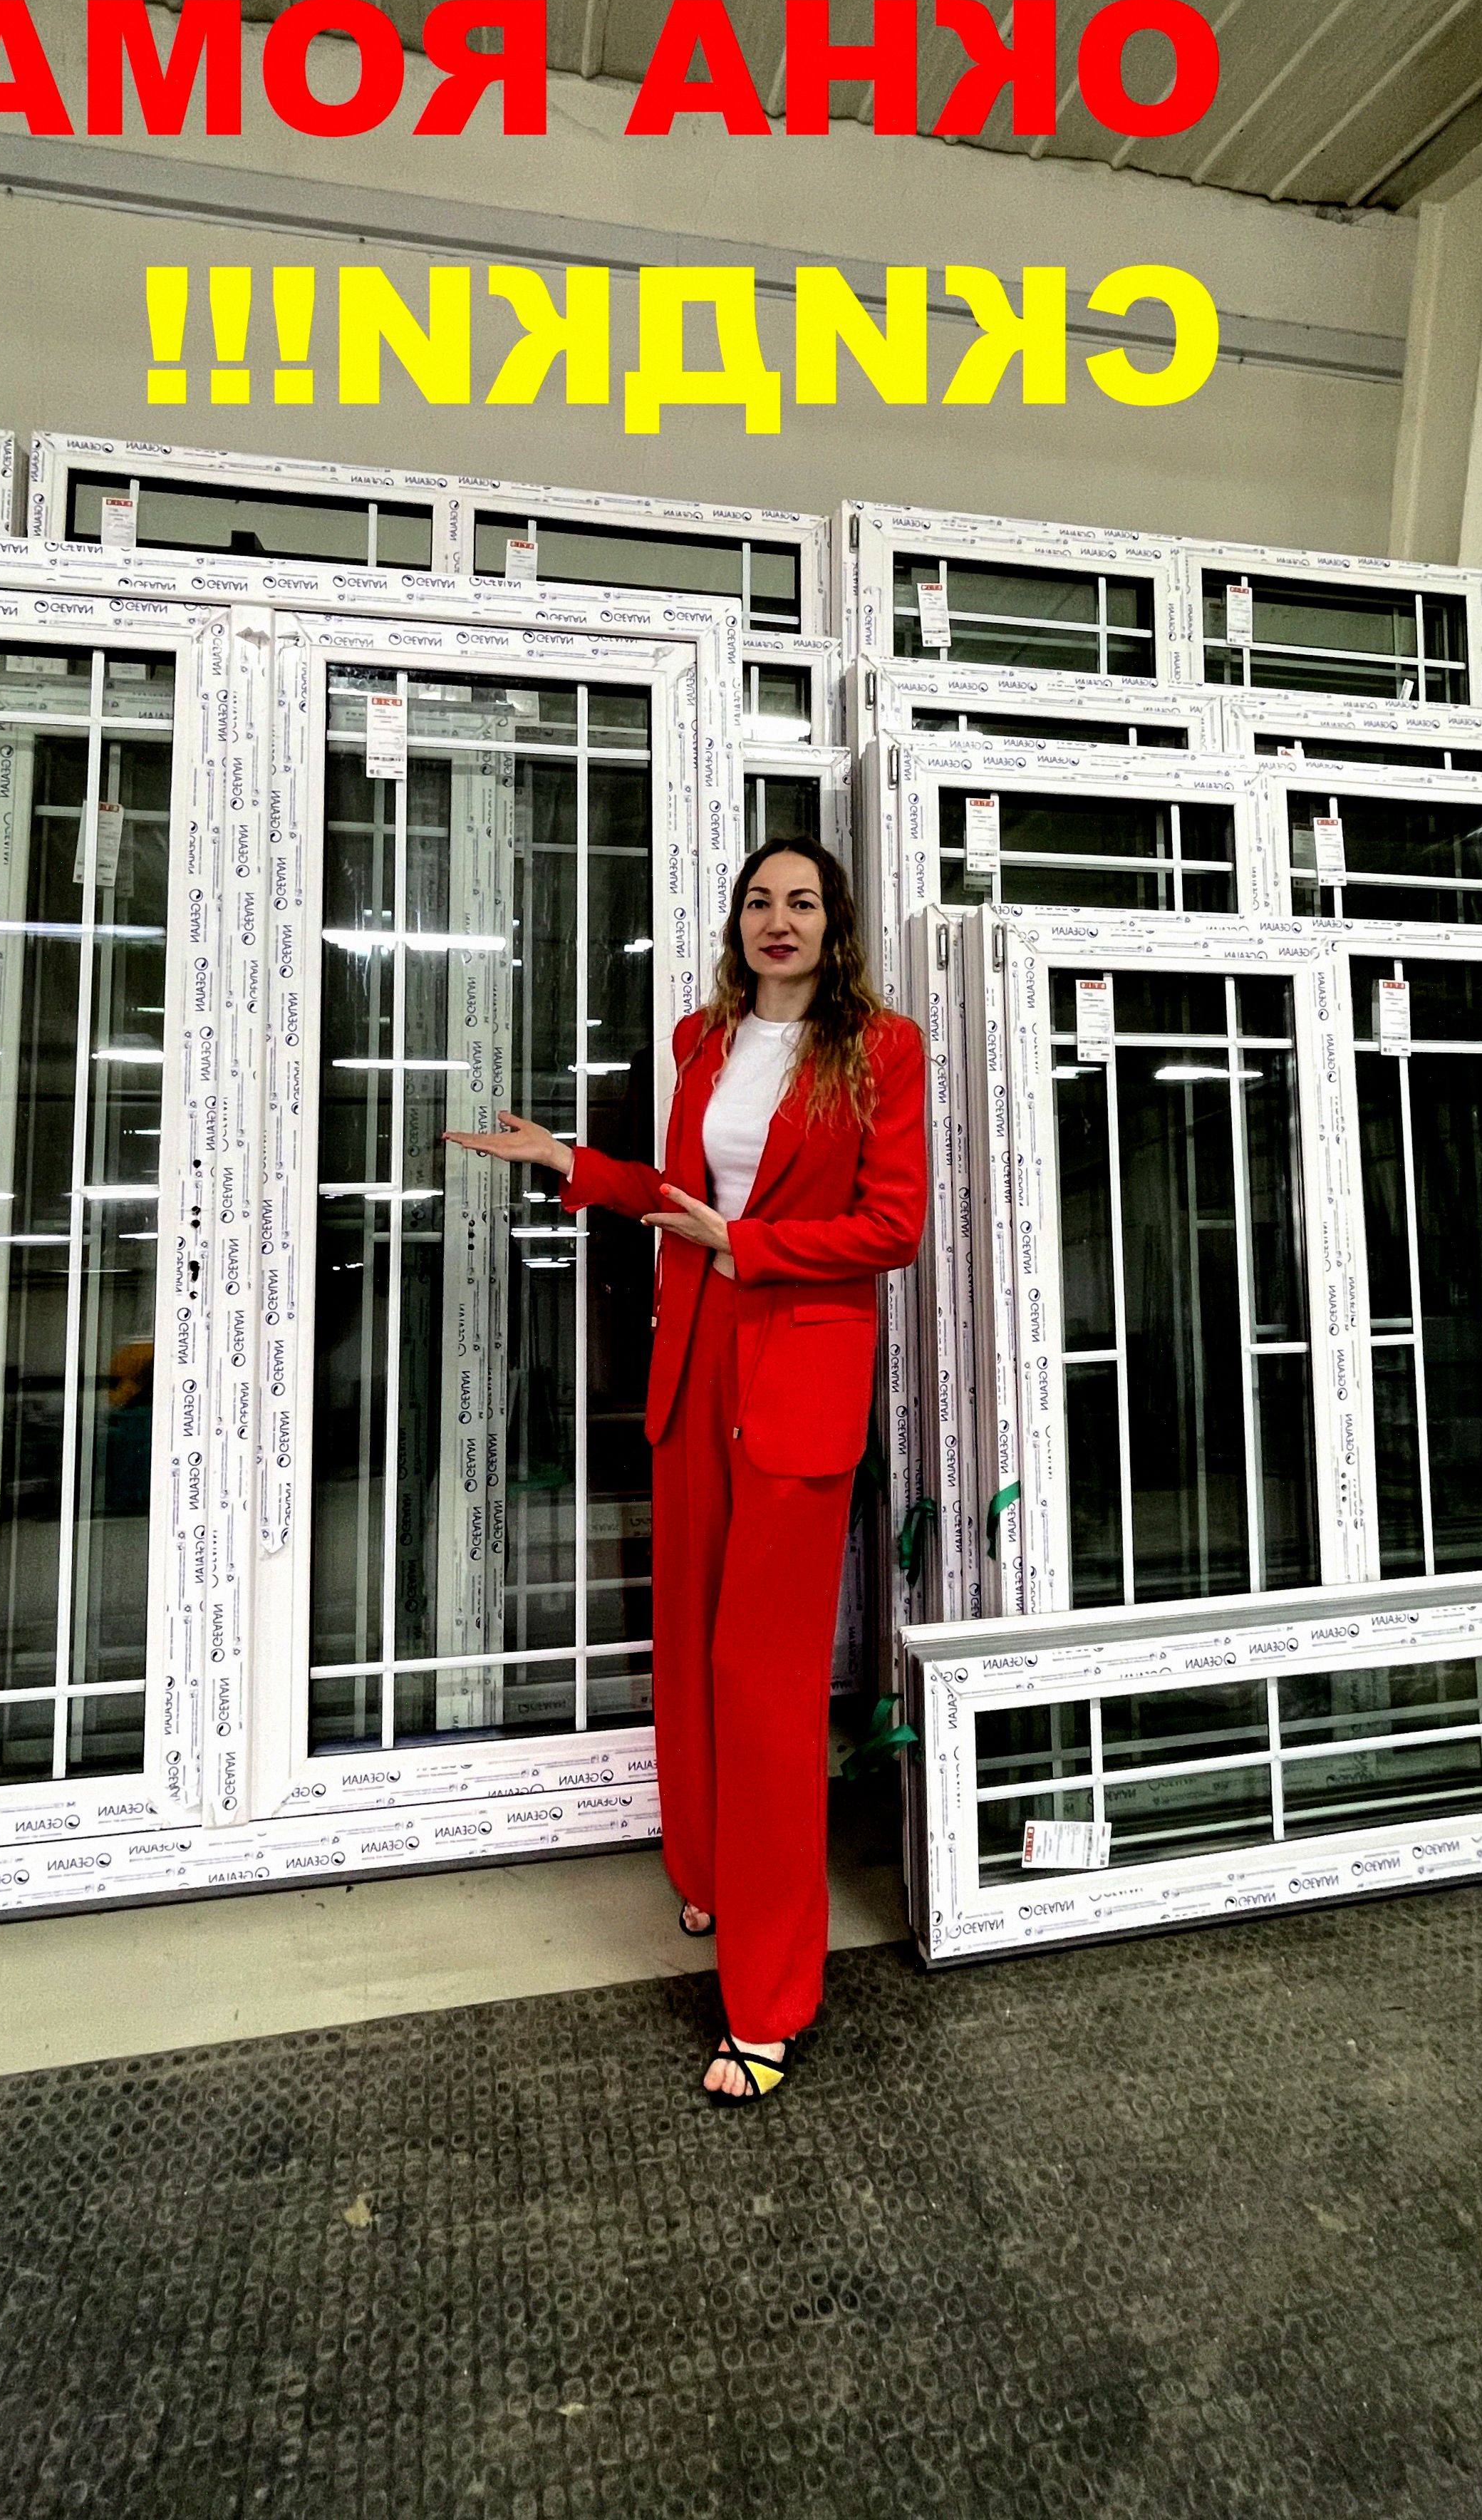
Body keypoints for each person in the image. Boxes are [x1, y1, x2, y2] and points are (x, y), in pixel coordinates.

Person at [447, 837, 926, 2108]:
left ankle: (768, 2002)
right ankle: (710, 1873)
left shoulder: (881, 1049)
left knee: (765, 1683)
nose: (780, 919)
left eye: (803, 902)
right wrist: (573, 1166)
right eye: (760, 901)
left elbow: (893, 1226)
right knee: (692, 1652)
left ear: (835, 925)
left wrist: (751, 1245)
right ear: (736, 923)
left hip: (796, 1374)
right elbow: (679, 1193)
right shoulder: (701, 1039)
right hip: (698, 1362)